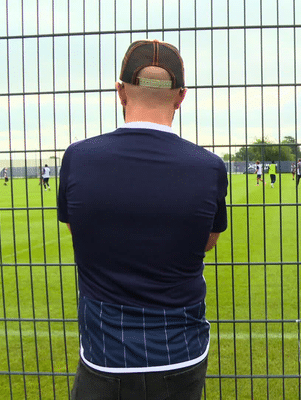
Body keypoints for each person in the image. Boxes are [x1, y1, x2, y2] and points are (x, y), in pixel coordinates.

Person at [58, 39, 228, 400]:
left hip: (106, 353)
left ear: (120, 92)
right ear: (181, 96)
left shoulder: (79, 158)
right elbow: (207, 241)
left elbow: (78, 229)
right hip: (181, 351)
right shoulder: (208, 167)